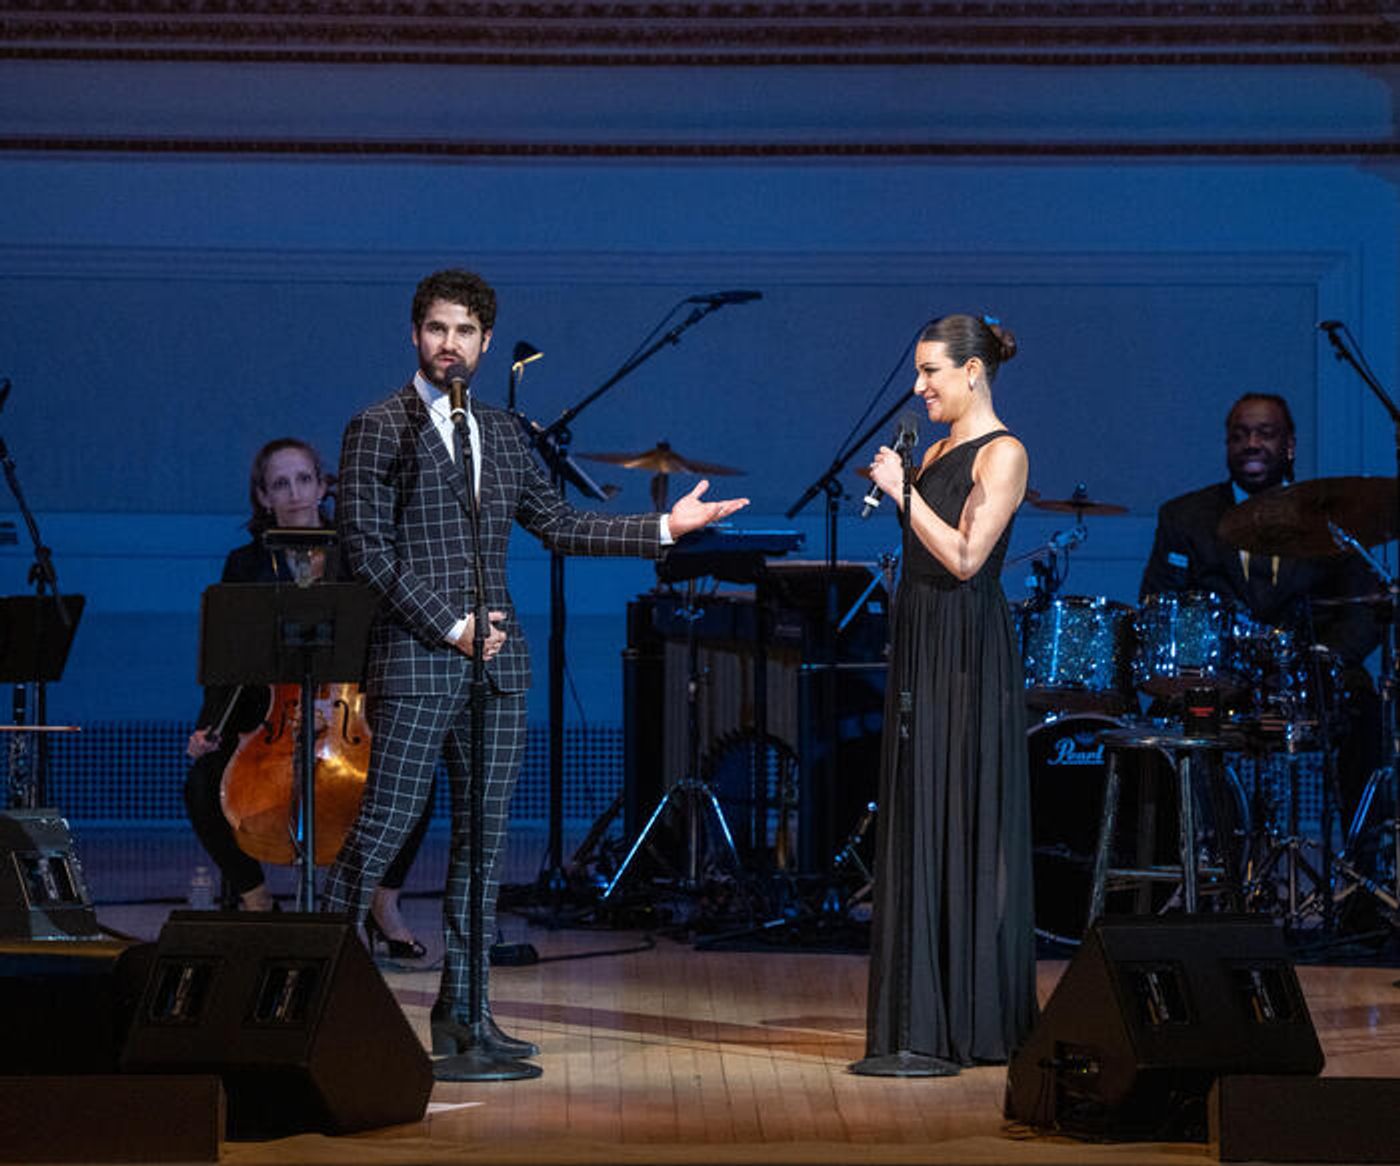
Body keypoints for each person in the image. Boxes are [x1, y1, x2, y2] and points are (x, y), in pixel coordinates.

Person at [320, 268, 748, 1061]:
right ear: (416, 335)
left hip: (497, 669)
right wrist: (448, 625)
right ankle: (306, 999)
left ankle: (468, 1017)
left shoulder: (504, 432)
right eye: (438, 329)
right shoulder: (379, 425)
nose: (451, 344)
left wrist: (665, 528)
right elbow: (367, 553)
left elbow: (558, 524)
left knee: (483, 850)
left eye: (466, 332)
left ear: (485, 342)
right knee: (378, 835)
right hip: (419, 662)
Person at [854, 314, 1038, 1074]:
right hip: (924, 642)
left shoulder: (1006, 453)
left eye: (932, 371)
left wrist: (902, 497)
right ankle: (920, 1015)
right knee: (918, 812)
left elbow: (966, 557)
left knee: (962, 810)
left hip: (966, 652)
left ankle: (972, 1019)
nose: (919, 385)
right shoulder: (934, 449)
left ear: (973, 372)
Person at [185, 438, 430, 955]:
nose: (295, 493)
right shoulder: (245, 564)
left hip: (349, 712)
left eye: (303, 479)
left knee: (415, 773)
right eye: (280, 484)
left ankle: (383, 902)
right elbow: (229, 661)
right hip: (268, 718)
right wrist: (211, 725)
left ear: (322, 485)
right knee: (203, 783)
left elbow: (388, 638)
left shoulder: (360, 552)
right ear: (262, 497)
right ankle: (256, 900)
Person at [1139, 393, 1381, 833]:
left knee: (1367, 709)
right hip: (1219, 681)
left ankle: (1357, 874)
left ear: (1289, 445)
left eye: (1265, 433)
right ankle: (1196, 861)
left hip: (1311, 678)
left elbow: (1366, 611)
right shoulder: (1185, 517)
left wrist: (1315, 663)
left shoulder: (1332, 517)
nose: (1251, 443)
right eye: (1239, 435)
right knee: (1161, 715)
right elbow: (1159, 604)